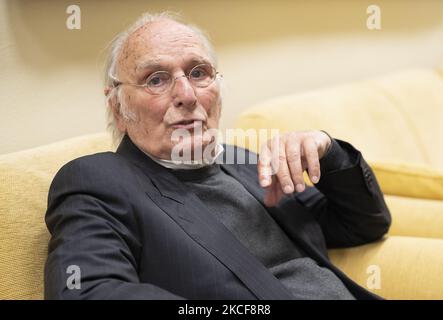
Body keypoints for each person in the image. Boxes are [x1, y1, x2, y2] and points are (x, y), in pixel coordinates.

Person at [44, 12, 391, 300]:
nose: (187, 95)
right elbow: (86, 292)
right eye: (156, 79)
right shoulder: (98, 181)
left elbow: (364, 225)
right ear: (117, 108)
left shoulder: (246, 164)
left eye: (198, 73)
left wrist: (327, 150)